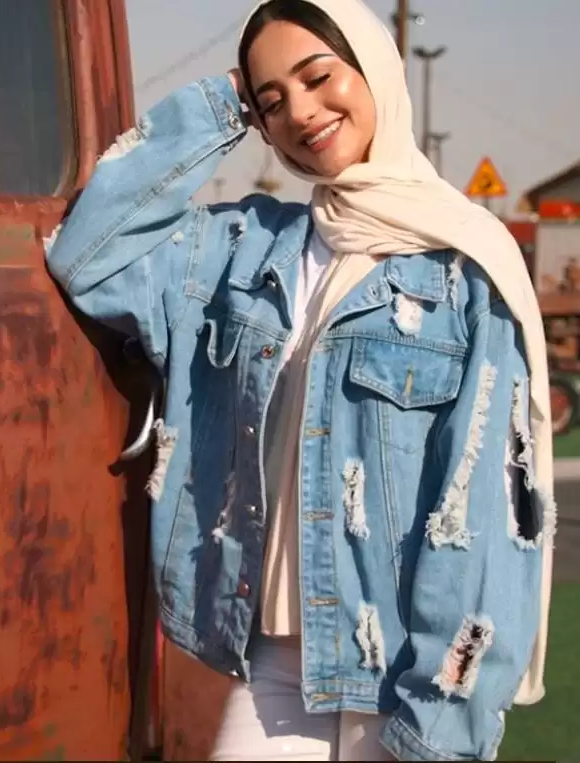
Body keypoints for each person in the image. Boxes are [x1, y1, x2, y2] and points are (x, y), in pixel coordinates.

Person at [45, 0, 556, 759]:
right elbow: (89, 254)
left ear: (374, 69)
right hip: (282, 660)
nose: (302, 114)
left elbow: (479, 516)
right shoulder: (247, 250)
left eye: (318, 77)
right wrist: (222, 104)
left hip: (410, 677)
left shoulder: (465, 267)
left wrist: (439, 722)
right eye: (272, 100)